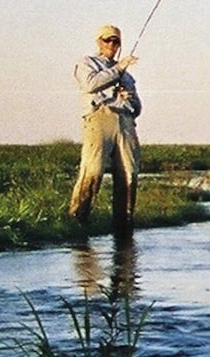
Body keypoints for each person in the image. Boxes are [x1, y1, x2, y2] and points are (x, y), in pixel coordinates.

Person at [70, 24, 143, 229]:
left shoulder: (127, 76)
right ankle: (77, 222)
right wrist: (118, 68)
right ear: (99, 42)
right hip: (99, 118)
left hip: (126, 121)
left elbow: (138, 108)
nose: (111, 44)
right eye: (107, 40)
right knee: (92, 170)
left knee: (129, 173)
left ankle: (124, 225)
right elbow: (90, 84)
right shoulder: (87, 63)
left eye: (115, 41)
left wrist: (129, 98)